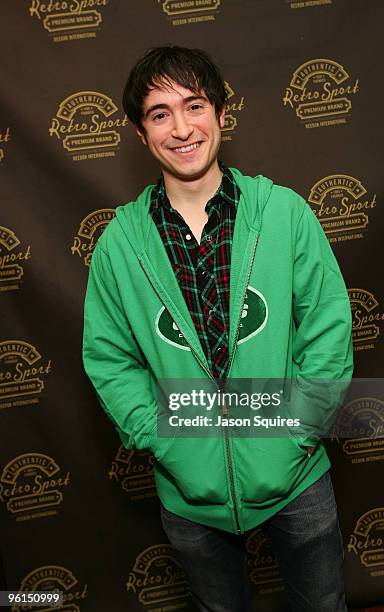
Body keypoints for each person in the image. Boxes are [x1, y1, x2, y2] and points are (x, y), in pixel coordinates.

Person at [82, 46, 353, 611]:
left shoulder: (283, 213)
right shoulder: (120, 243)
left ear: (222, 114)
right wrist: (165, 442)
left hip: (295, 477)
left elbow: (327, 329)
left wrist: (297, 431)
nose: (181, 129)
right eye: (160, 114)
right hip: (189, 494)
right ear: (140, 133)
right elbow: (110, 358)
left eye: (194, 106)